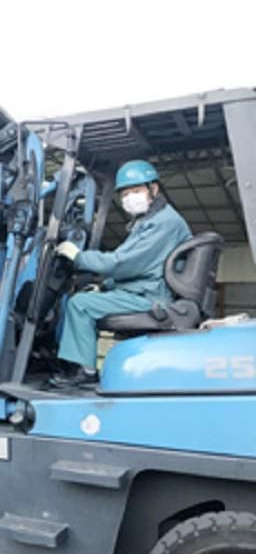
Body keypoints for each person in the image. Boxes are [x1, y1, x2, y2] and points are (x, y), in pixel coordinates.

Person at [52, 160, 191, 386]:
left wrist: (78, 257)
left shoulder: (164, 223)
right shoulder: (148, 222)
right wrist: (104, 286)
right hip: (146, 290)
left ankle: (85, 372)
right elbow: (139, 267)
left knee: (80, 304)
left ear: (153, 189)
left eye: (136, 191)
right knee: (85, 298)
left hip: (151, 297)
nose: (129, 198)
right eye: (125, 194)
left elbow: (123, 263)